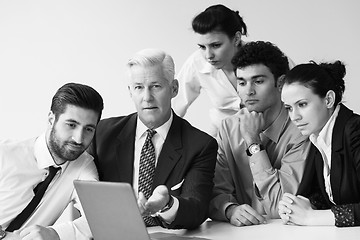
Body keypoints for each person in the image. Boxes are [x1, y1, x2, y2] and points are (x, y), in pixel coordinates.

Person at [88, 48, 218, 230]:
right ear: (130, 91)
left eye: (156, 86)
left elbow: (197, 209)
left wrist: (167, 204)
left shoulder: (201, 145)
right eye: (139, 87)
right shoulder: (101, 134)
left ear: (174, 89)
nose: (147, 97)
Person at [208, 41, 310, 227]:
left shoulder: (301, 131)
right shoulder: (229, 127)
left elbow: (279, 206)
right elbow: (214, 191)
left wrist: (253, 142)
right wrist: (230, 209)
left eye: (258, 81)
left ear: (280, 83)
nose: (249, 91)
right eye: (242, 82)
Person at [0, 82, 104, 240]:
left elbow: (98, 218)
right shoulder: (5, 154)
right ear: (51, 119)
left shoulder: (83, 165)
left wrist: (56, 234)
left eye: (88, 129)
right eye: (71, 125)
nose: (78, 138)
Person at [172, 4, 294, 137]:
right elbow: (176, 105)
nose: (208, 55)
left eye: (216, 45)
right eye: (202, 47)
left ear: (236, 38)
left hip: (271, 131)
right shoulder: (197, 62)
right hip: (222, 134)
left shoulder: (265, 57)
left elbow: (302, 90)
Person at [279, 61, 360, 227]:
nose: (294, 117)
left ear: (329, 99)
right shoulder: (319, 137)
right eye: (289, 108)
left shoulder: (355, 131)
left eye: (302, 105)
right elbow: (326, 196)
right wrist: (295, 206)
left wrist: (311, 218)